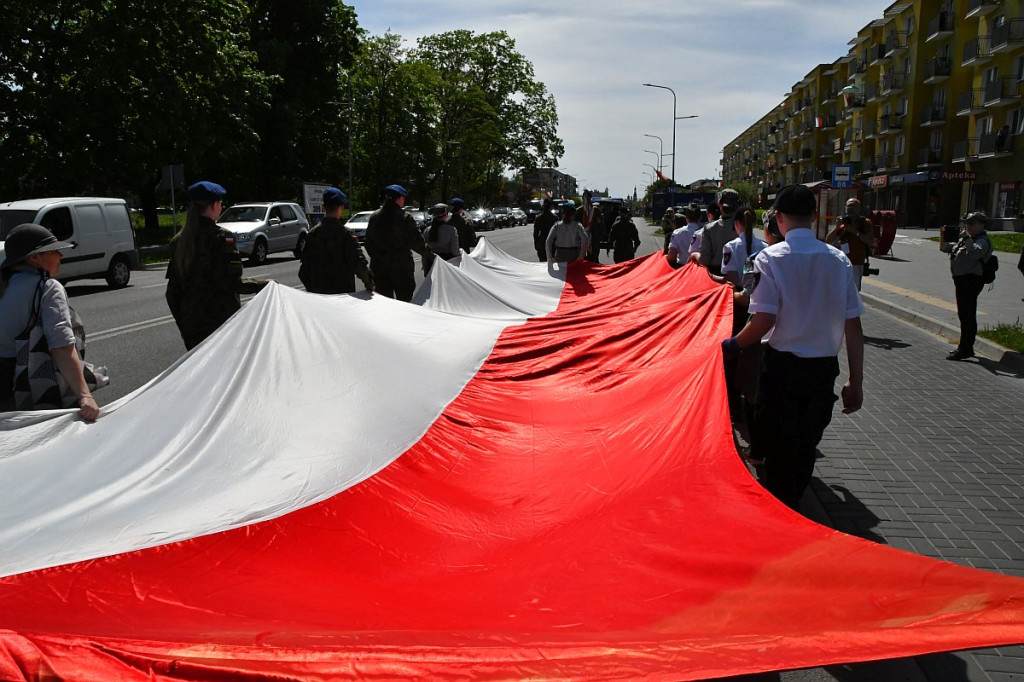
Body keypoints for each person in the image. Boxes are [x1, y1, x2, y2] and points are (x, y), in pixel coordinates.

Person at [721, 184, 864, 511]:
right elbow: (853, 325)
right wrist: (856, 381)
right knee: (803, 447)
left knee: (778, 447)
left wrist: (732, 344)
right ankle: (795, 506)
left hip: (781, 369)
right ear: (814, 217)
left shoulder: (771, 258)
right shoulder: (838, 260)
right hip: (822, 372)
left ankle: (780, 514)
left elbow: (764, 319)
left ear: (779, 218)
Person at [0, 224, 101, 420]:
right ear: (35, 258)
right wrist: (84, 396)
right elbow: (61, 346)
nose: (61, 256)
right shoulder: (47, 288)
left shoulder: (4, 287)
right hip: (27, 391)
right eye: (54, 251)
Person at [165, 181, 270, 351]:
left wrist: (185, 324)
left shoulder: (179, 241)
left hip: (193, 326)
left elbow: (172, 293)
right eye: (221, 203)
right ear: (214, 205)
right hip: (221, 323)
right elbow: (231, 283)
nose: (221, 206)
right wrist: (261, 285)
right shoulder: (221, 238)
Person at [939, 211, 994, 361]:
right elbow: (945, 248)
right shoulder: (967, 240)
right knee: (964, 315)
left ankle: (966, 348)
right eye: (966, 223)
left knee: (968, 315)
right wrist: (943, 236)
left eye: (971, 223)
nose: (967, 226)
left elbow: (975, 253)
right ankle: (964, 347)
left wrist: (966, 238)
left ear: (981, 225)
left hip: (971, 282)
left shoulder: (982, 241)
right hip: (961, 282)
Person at [298, 187, 373, 295]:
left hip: (319, 296)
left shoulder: (312, 234)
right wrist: (369, 283)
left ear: (323, 207)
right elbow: (358, 263)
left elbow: (303, 272)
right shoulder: (346, 234)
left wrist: (312, 290)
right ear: (341, 208)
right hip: (343, 295)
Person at [364, 184, 429, 302]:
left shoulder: (375, 217)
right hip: (402, 270)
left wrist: (379, 257)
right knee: (404, 304)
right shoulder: (405, 217)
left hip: (380, 269)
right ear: (399, 199)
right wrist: (432, 257)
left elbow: (368, 243)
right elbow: (418, 243)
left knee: (383, 305)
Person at [825, 198, 874, 291]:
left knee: (853, 292)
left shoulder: (865, 223)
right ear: (845, 208)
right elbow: (828, 241)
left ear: (859, 208)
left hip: (856, 263)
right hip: (840, 263)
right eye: (849, 206)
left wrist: (855, 232)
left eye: (853, 206)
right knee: (838, 291)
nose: (851, 208)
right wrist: (836, 228)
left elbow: (870, 241)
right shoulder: (842, 222)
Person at [699, 188, 740, 275]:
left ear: (720, 204)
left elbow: (705, 259)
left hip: (714, 274)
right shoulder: (743, 227)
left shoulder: (710, 228)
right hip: (739, 274)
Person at [423, 203, 460, 270]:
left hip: (431, 264)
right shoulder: (451, 229)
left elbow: (425, 250)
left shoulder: (427, 230)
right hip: (446, 264)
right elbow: (455, 251)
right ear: (445, 215)